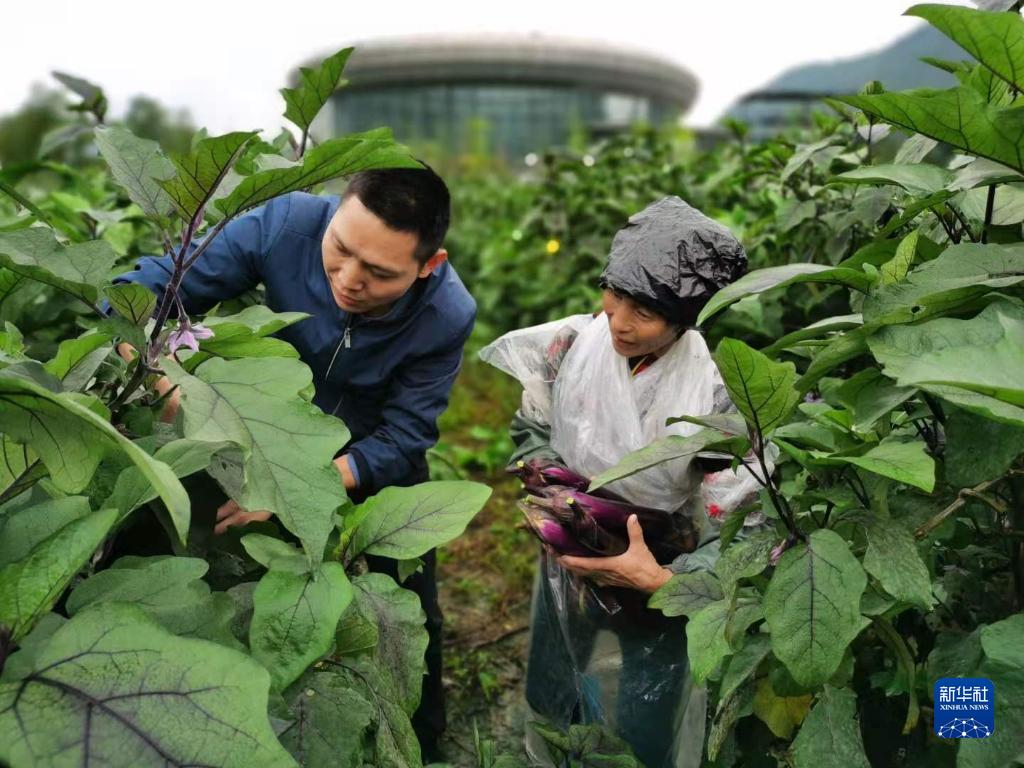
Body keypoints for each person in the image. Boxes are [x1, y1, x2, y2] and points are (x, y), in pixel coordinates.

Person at [114, 166, 475, 758]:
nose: (349, 279)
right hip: (258, 429)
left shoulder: (447, 313)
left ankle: (423, 743)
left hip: (363, 461)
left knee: (407, 623)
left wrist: (296, 491)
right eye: (340, 249)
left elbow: (405, 435)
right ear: (334, 215)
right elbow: (149, 289)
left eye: (380, 272)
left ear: (426, 267)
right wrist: (158, 375)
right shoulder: (285, 224)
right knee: (188, 563)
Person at [481, 196, 769, 768]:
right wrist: (550, 486)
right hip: (570, 551)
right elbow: (533, 424)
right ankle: (552, 756)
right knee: (555, 679)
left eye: (645, 311)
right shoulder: (568, 348)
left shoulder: (714, 399)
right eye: (615, 296)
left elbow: (743, 516)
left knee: (647, 707)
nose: (619, 321)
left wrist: (668, 579)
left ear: (686, 318)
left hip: (657, 562)